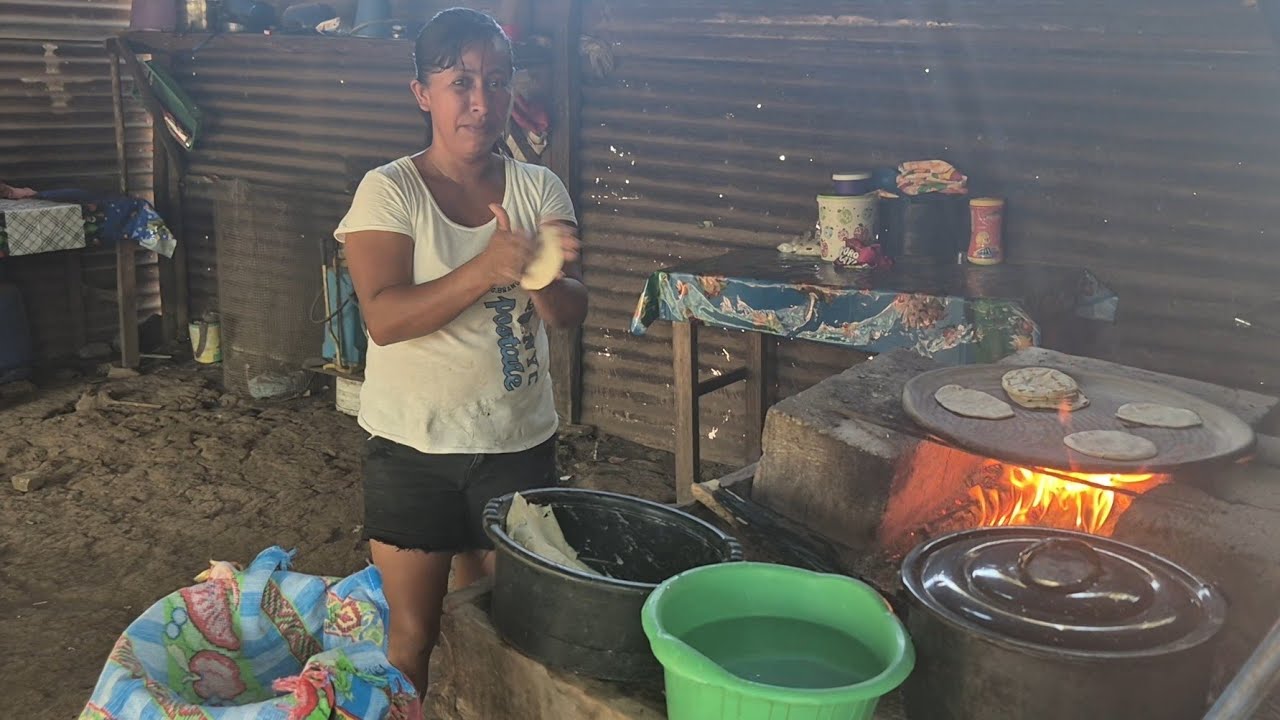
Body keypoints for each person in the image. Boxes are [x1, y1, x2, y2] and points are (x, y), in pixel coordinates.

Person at [333, 7, 587, 697]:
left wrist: (540, 271)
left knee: (509, 627)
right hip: (412, 451)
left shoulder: (540, 187)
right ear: (422, 94)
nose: (482, 102)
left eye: (497, 82)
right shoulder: (390, 190)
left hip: (515, 444)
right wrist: (486, 267)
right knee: (412, 638)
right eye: (461, 83)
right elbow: (383, 318)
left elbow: (569, 311)